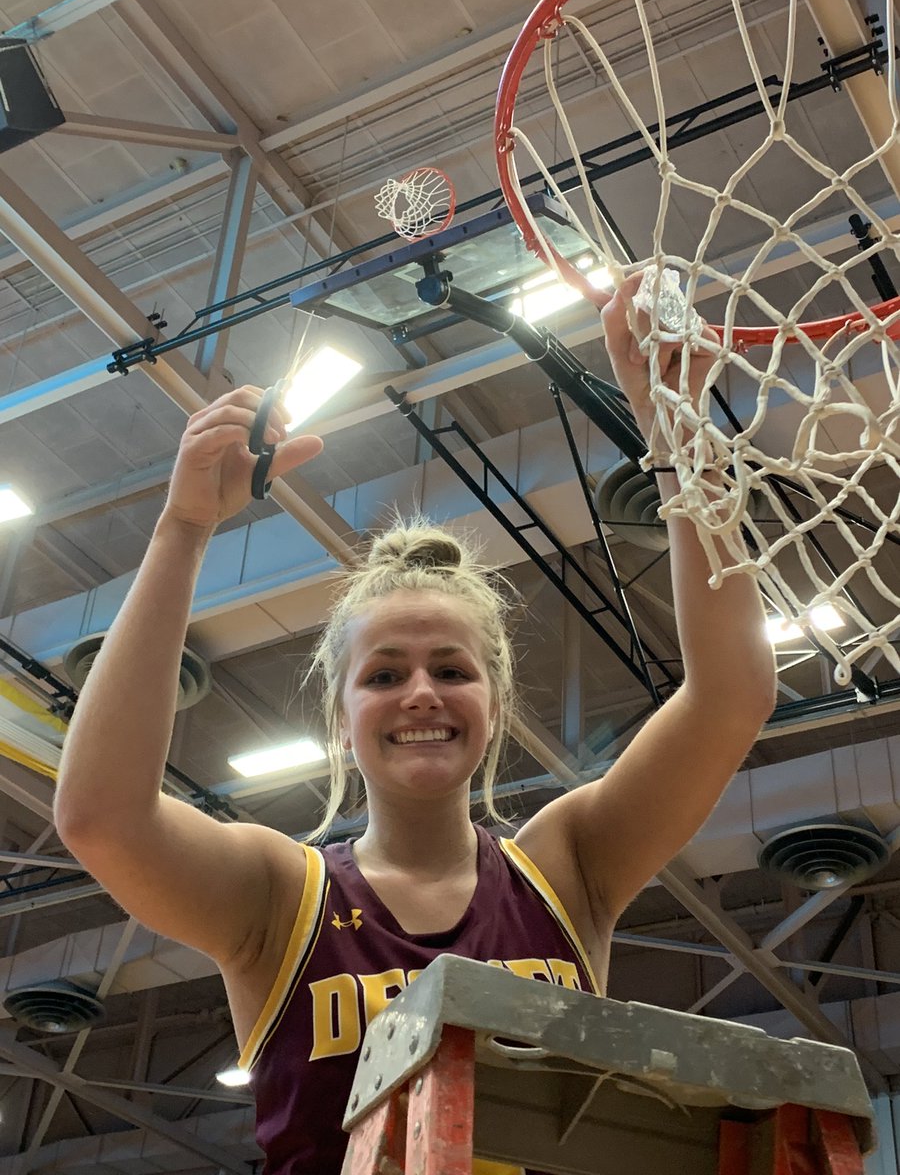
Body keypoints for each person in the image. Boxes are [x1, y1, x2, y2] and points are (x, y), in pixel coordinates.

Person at [54, 275, 777, 1174]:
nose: (422, 693)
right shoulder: (281, 895)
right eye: (385, 675)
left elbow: (732, 695)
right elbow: (100, 817)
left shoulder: (568, 863)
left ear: (495, 705)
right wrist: (183, 526)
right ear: (343, 716)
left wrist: (681, 434)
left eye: (452, 669)